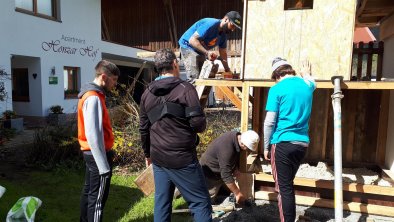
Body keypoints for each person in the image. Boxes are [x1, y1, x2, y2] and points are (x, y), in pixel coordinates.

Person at [139, 48, 212, 222]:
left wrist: (147, 154)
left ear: (158, 67)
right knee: (200, 203)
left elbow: (143, 128)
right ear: (174, 64)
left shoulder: (146, 93)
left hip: (158, 158)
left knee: (162, 204)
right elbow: (198, 124)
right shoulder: (185, 89)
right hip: (182, 158)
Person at [263, 57, 315, 222]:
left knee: (283, 189)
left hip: (282, 143)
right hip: (302, 144)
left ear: (276, 75)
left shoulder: (276, 89)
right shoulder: (307, 85)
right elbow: (312, 82)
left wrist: (265, 146)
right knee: (287, 186)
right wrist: (306, 74)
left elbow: (269, 122)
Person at [78, 60, 120, 222]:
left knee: (89, 193)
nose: (115, 84)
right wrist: (103, 166)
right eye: (114, 80)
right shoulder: (93, 97)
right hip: (97, 156)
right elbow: (93, 134)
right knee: (97, 201)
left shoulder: (92, 95)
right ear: (104, 77)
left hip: (90, 153)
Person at [178, 11, 242, 84]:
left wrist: (227, 70)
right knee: (194, 78)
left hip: (199, 50)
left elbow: (223, 53)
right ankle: (191, 94)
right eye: (232, 25)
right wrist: (207, 53)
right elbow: (192, 40)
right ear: (226, 19)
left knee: (204, 78)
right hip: (188, 46)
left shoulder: (223, 35)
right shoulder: (211, 24)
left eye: (235, 28)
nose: (233, 29)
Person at [199, 130, 260, 204]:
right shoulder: (226, 147)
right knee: (206, 203)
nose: (248, 151)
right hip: (210, 173)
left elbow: (234, 156)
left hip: (220, 172)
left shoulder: (237, 138)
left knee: (224, 193)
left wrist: (235, 168)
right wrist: (237, 193)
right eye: (248, 149)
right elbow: (226, 175)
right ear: (243, 144)